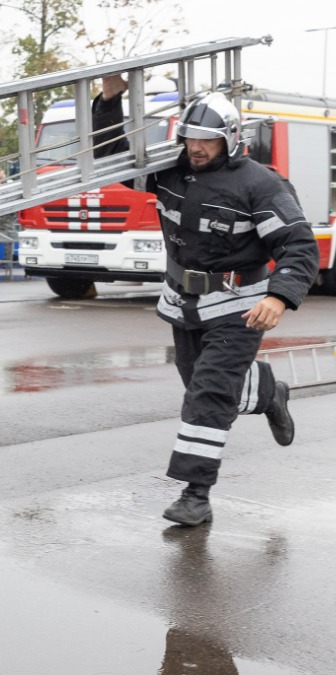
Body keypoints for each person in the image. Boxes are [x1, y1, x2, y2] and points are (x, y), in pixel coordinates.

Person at [93, 75, 319, 527]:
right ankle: (267, 391)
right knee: (202, 387)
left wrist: (280, 297)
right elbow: (111, 158)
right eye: (190, 138)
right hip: (184, 303)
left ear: (230, 139)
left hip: (241, 307)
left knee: (209, 396)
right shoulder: (169, 171)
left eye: (207, 141)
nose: (196, 148)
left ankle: (196, 494)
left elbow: (300, 246)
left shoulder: (262, 185)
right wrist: (110, 99)